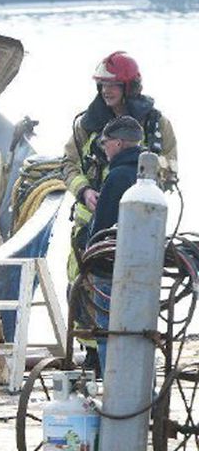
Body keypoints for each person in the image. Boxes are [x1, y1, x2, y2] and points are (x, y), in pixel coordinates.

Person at [61, 51, 177, 372]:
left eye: (112, 85)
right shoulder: (86, 124)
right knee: (82, 286)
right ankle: (94, 354)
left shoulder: (157, 124)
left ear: (130, 86)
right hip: (90, 223)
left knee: (134, 289)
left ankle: (130, 354)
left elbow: (171, 168)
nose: (105, 91)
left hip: (139, 224)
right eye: (101, 85)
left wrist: (144, 177)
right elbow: (68, 164)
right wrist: (85, 191)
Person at [85, 116, 149, 372]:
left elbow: (103, 228)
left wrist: (90, 263)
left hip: (110, 273)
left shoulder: (118, 176)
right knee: (139, 335)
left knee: (108, 333)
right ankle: (143, 395)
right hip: (143, 271)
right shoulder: (146, 178)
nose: (104, 148)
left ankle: (115, 395)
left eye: (106, 143)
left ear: (119, 143)